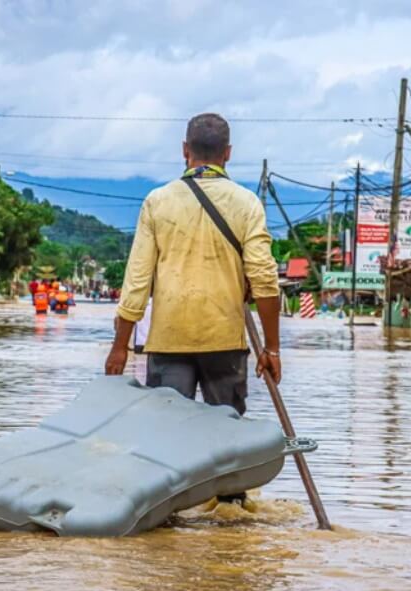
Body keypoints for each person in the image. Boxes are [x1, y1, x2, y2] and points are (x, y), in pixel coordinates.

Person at [105, 112, 281, 420]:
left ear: (185, 150)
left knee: (167, 440)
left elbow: (136, 284)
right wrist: (272, 349)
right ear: (228, 153)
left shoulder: (157, 202)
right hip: (225, 343)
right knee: (226, 443)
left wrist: (120, 347)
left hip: (168, 341)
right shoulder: (247, 203)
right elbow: (265, 281)